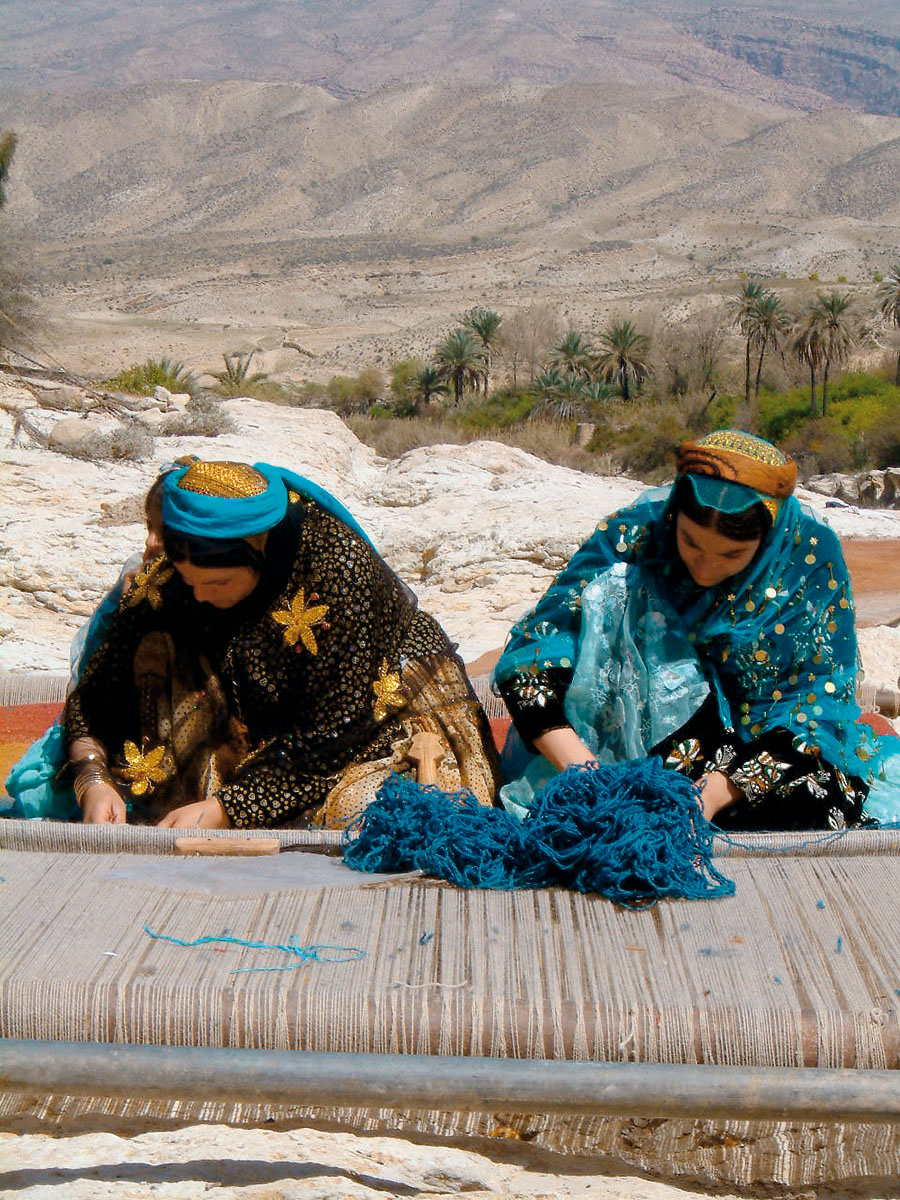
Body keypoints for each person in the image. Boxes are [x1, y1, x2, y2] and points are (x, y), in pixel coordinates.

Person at [494, 430, 900, 831]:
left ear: (768, 538)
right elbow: (535, 654)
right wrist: (586, 776)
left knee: (811, 800)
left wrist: (713, 793)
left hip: (767, 746)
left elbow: (816, 709)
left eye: (731, 554)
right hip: (635, 739)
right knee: (616, 590)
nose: (704, 569)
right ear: (674, 516)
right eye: (690, 542)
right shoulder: (638, 535)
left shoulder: (808, 559)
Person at [64, 458, 500, 828]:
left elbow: (334, 729)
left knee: (377, 815)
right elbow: (94, 695)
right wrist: (92, 780)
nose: (199, 596)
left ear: (257, 552)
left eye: (215, 582)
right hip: (256, 720)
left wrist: (227, 809)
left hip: (375, 713)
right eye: (189, 581)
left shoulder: (336, 570)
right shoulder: (173, 585)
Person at [4, 471, 170, 820]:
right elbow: (91, 702)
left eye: (168, 531)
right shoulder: (134, 591)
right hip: (120, 745)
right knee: (45, 797)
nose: (152, 542)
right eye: (148, 527)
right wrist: (92, 778)